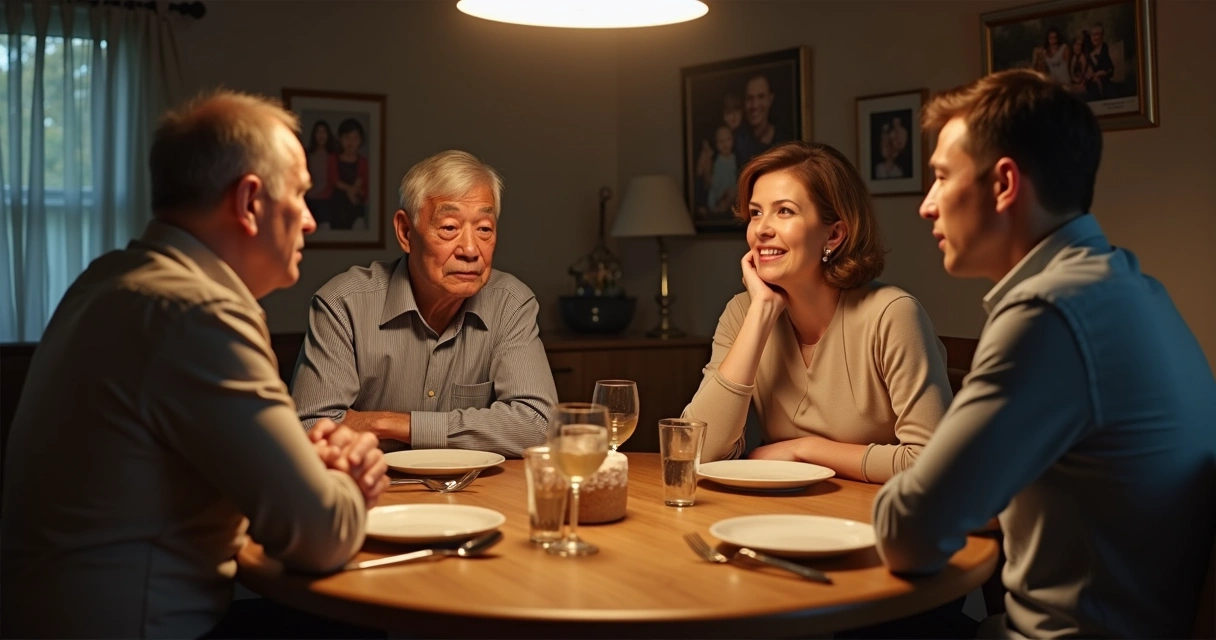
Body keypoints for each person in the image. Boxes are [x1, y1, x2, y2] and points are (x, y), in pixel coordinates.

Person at [0, 90, 389, 638]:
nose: (309, 221)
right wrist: (350, 478)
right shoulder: (199, 315)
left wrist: (304, 466)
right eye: (300, 195)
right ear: (249, 201)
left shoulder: (106, 280)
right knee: (357, 626)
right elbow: (319, 536)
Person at [873, 69, 1216, 638]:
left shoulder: (1048, 314)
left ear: (1005, 184)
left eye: (941, 177)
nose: (926, 206)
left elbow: (908, 533)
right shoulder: (1132, 288)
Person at [682, 141, 953, 483]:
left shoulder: (892, 315)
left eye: (784, 211)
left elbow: (936, 464)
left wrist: (805, 450)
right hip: (781, 509)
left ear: (834, 234)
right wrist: (761, 312)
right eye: (756, 212)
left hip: (879, 510)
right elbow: (694, 451)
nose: (761, 229)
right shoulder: (743, 313)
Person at [291, 150, 557, 458]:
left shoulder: (510, 303)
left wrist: (385, 423)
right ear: (406, 232)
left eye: (484, 229)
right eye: (449, 228)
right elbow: (311, 429)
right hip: (375, 483)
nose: (471, 249)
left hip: (478, 484)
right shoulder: (343, 304)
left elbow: (539, 424)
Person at [733, 74, 787, 165]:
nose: (754, 105)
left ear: (770, 99)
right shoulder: (734, 141)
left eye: (761, 97)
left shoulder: (785, 142)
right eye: (750, 98)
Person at [327, 117, 370, 229]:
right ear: (340, 139)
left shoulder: (363, 162)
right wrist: (350, 190)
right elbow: (334, 180)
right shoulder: (333, 159)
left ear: (360, 140)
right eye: (347, 137)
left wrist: (354, 192)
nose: (350, 142)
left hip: (356, 206)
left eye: (355, 138)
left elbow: (361, 180)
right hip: (336, 206)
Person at [305, 119, 338, 227]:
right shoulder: (308, 155)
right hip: (310, 198)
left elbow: (333, 180)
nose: (321, 135)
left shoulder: (332, 156)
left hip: (327, 200)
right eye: (318, 132)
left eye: (323, 132)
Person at [706, 124, 739, 214]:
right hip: (718, 190)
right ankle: (719, 207)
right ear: (716, 143)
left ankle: (725, 206)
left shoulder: (735, 158)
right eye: (721, 141)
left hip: (730, 190)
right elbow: (711, 179)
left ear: (733, 140)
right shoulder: (716, 160)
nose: (725, 144)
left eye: (728, 140)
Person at [1086, 22, 1116, 99]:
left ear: (1102, 35)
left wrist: (1104, 72)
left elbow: (1111, 69)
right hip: (1092, 85)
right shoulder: (1088, 51)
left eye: (1096, 34)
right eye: (1092, 34)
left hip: (1105, 85)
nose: (1093, 37)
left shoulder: (1105, 48)